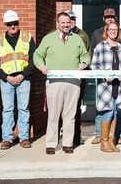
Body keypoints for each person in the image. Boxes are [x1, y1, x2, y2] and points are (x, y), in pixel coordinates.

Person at [33, 12, 90, 155]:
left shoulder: (77, 39)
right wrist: (41, 66)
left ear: (71, 23)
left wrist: (84, 63)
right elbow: (37, 55)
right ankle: (51, 143)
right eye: (63, 22)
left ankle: (67, 144)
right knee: (53, 114)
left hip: (73, 82)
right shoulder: (48, 38)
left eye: (68, 22)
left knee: (70, 115)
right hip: (54, 82)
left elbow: (86, 55)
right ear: (57, 23)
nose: (66, 25)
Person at [89, 8, 121, 145]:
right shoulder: (100, 47)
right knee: (107, 112)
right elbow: (94, 65)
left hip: (119, 85)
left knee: (118, 112)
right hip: (105, 85)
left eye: (115, 30)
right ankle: (104, 141)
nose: (113, 32)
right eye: (110, 30)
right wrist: (104, 76)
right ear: (106, 31)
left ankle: (113, 139)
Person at [0, 10, 36, 150]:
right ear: (5, 24)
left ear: (18, 23)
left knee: (23, 109)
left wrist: (22, 76)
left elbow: (33, 60)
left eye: (15, 23)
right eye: (10, 24)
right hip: (7, 80)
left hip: (24, 78)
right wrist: (7, 78)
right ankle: (7, 138)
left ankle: (24, 138)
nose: (13, 26)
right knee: (7, 109)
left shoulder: (27, 37)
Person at [65, 10, 91, 147]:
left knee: (76, 108)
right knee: (61, 109)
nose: (71, 21)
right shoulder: (56, 35)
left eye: (73, 18)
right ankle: (59, 137)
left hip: (79, 77)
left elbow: (88, 54)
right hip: (63, 78)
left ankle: (76, 137)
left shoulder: (82, 35)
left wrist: (84, 64)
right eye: (69, 19)